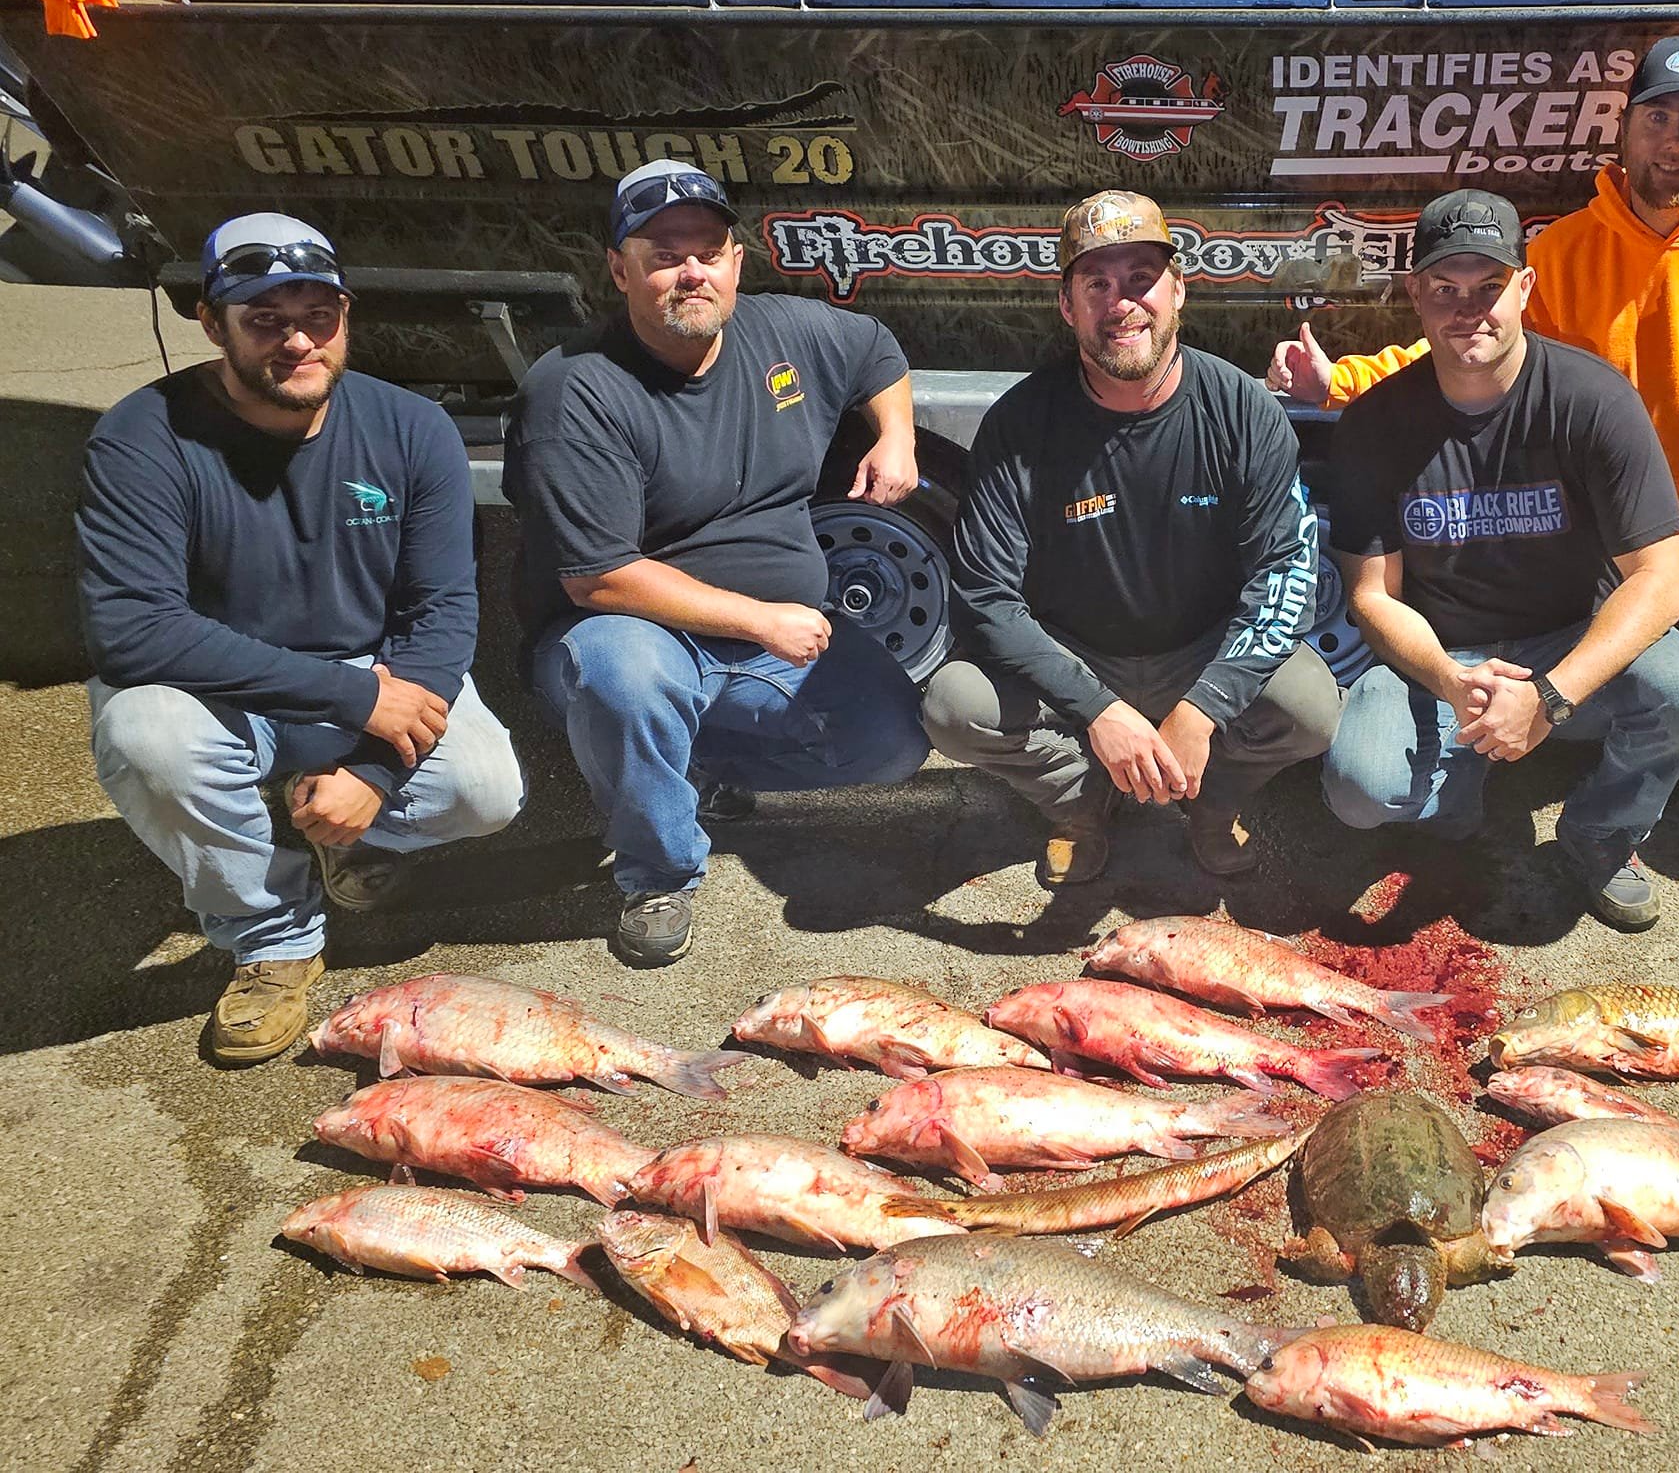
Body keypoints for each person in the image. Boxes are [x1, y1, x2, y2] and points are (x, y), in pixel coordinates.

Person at [1271, 34, 1679, 908]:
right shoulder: (1574, 251)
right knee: (1668, 705)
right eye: (1657, 117)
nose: (1676, 140)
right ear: (1623, 130)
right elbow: (1470, 344)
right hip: (1628, 540)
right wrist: (1345, 382)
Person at [78, 214, 525, 1065]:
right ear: (212, 324)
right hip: (211, 684)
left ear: (346, 316)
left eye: (317, 316)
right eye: (264, 320)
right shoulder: (141, 437)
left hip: (364, 670)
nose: (297, 341)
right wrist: (357, 702)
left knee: (485, 790)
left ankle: (341, 831)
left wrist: (370, 770)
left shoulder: (410, 428)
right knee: (146, 736)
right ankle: (272, 937)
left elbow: (440, 614)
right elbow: (132, 632)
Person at [503, 159, 929, 968]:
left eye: (707, 249)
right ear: (619, 270)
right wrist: (759, 620)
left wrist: (895, 434)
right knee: (624, 679)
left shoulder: (787, 330)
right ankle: (657, 871)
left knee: (893, 743)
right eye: (663, 253)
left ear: (737, 262)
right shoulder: (573, 390)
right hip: (632, 629)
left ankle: (694, 767)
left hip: (766, 643)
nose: (689, 270)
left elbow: (876, 350)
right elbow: (598, 577)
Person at [1318, 190, 1679, 930]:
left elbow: (1663, 582)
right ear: (1416, 295)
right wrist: (1449, 678)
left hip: (1568, 638)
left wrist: (1552, 696)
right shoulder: (1375, 422)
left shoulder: (1593, 398)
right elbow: (1373, 596)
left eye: (1489, 286)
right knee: (1358, 791)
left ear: (1526, 288)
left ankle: (1601, 832)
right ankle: (1462, 793)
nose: (1468, 308)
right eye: (1445, 288)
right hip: (1442, 653)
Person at [924, 189, 1342, 887]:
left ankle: (1211, 808)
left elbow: (1285, 575)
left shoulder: (1242, 410)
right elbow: (987, 598)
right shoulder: (1021, 422)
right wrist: (1099, 710)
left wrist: (1204, 707)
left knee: (1312, 710)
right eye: (1097, 283)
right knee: (953, 707)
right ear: (1068, 306)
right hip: (1076, 654)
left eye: (1141, 279)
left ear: (1178, 291)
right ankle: (1084, 811)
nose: (1122, 303)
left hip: (1201, 647)